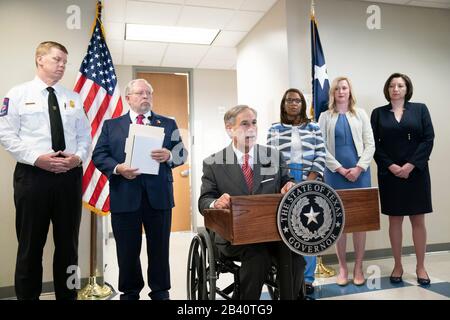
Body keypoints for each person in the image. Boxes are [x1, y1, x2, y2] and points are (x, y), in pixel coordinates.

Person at [0, 41, 91, 300]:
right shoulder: (17, 94)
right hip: (33, 177)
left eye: (65, 61)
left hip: (69, 177)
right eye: (57, 59)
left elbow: (85, 136)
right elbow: (6, 134)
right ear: (40, 60)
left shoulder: (73, 98)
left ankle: (67, 297)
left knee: (68, 246)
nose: (62, 65)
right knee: (30, 246)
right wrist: (37, 158)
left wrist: (78, 158)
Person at [92, 79, 187, 300]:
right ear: (128, 98)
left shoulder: (167, 123)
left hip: (159, 197)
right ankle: (130, 291)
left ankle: (161, 291)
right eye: (140, 93)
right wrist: (117, 168)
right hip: (124, 195)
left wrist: (170, 155)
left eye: (149, 93)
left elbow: (182, 154)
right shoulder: (111, 125)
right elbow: (99, 156)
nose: (145, 97)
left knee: (159, 248)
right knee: (127, 250)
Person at [198, 105, 304, 300]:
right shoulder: (213, 163)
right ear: (229, 129)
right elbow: (204, 200)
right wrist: (216, 203)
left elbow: (287, 181)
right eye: (244, 124)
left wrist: (289, 185)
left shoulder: (272, 156)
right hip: (235, 236)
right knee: (258, 258)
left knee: (296, 259)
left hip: (274, 233)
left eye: (254, 123)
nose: (251, 128)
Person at [370, 73, 434, 286]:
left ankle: (420, 266)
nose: (396, 89)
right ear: (387, 90)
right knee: (395, 220)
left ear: (407, 89)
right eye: (392, 85)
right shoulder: (378, 114)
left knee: (418, 220)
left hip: (416, 172)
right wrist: (392, 166)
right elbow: (373, 145)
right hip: (390, 174)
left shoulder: (420, 109)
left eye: (400, 85)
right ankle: (398, 264)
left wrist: (410, 165)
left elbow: (428, 139)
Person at [267, 88, 326, 295]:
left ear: (302, 104)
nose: (293, 103)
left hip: (309, 180)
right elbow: (270, 159)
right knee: (288, 230)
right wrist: (285, 182)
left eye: (297, 100)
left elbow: (321, 155)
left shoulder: (314, 128)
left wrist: (308, 182)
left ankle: (306, 278)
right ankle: (285, 274)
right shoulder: (274, 129)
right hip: (284, 183)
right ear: (283, 104)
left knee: (309, 231)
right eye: (289, 100)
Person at [318, 77, 375, 286]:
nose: (341, 91)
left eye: (344, 88)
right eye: (337, 89)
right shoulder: (325, 116)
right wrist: (341, 169)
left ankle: (358, 267)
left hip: (360, 175)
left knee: (360, 223)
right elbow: (321, 148)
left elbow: (370, 144)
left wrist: (359, 168)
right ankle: (342, 268)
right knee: (338, 222)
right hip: (335, 175)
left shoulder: (361, 114)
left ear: (350, 91)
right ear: (332, 93)